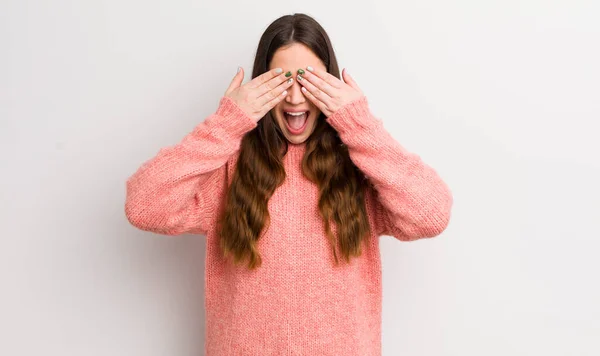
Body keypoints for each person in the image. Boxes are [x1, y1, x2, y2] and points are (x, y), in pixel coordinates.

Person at [125, 13, 453, 356]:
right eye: (281, 80)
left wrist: (358, 123)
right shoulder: (229, 166)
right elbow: (144, 205)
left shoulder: (361, 165)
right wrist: (226, 123)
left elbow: (431, 214)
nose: (295, 98)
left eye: (309, 80)